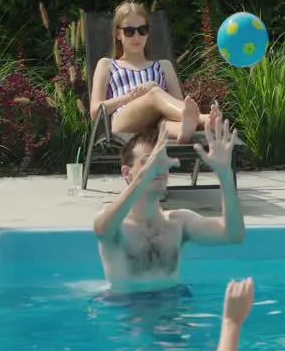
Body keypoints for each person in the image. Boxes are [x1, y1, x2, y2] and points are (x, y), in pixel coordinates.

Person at [92, 112, 245, 296]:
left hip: (174, 309)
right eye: (148, 161)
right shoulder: (116, 225)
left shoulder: (179, 222)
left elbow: (234, 234)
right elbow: (101, 229)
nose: (158, 167)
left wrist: (225, 175)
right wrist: (144, 176)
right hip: (127, 311)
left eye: (161, 161)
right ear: (127, 173)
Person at [89, 0, 215, 143]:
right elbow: (95, 111)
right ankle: (203, 119)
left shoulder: (163, 65)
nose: (137, 37)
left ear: (148, 33)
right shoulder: (107, 64)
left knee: (164, 121)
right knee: (154, 93)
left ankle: (183, 130)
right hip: (123, 123)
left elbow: (179, 104)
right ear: (118, 34)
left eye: (142, 30)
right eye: (129, 31)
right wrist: (133, 96)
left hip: (156, 125)